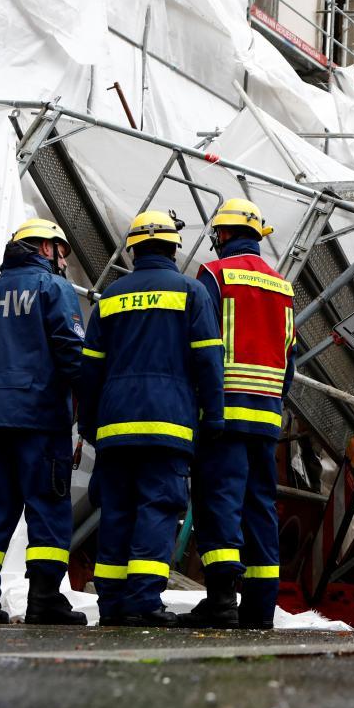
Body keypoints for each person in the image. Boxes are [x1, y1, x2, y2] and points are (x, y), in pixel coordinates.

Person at [79, 210, 224, 627]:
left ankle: (110, 604)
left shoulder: (110, 298)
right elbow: (209, 362)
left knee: (117, 512)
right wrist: (212, 418)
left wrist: (88, 423)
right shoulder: (190, 293)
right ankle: (142, 602)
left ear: (134, 248)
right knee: (157, 509)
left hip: (114, 427)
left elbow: (90, 369)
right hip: (168, 426)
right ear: (174, 247)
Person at [0, 218, 87, 626]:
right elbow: (72, 353)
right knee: (48, 510)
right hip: (40, 419)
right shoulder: (53, 288)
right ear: (45, 248)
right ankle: (45, 599)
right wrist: (87, 405)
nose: (64, 260)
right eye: (61, 251)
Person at [179, 198, 295, 629]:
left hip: (222, 413)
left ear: (223, 235)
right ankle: (259, 610)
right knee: (261, 508)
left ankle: (222, 602)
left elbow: (202, 345)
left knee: (218, 503)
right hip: (266, 417)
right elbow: (290, 357)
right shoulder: (282, 286)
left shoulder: (213, 274)